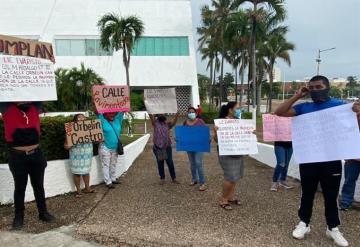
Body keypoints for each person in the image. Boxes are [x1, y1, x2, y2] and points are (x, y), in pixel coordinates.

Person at [274, 75, 360, 247]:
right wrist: (298, 95)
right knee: (307, 193)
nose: (314, 90)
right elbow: (280, 112)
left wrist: (357, 112)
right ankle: (304, 223)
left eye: (318, 87)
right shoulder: (304, 107)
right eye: (311, 87)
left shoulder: (341, 106)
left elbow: (353, 125)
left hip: (331, 159)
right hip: (309, 159)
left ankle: (333, 228)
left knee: (331, 196)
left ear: (327, 87)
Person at [0, 102, 55, 230]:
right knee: (20, 188)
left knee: (38, 186)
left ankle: (43, 213)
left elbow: (42, 91)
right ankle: (18, 217)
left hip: (36, 155)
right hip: (17, 157)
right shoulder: (6, 107)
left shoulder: (35, 107)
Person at [213, 102, 244, 210]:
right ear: (230, 110)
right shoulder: (221, 122)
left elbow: (244, 135)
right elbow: (216, 140)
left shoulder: (238, 121)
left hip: (238, 152)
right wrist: (216, 132)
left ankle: (230, 197)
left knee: (235, 176)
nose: (240, 110)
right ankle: (223, 199)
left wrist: (251, 133)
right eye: (238, 108)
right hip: (226, 152)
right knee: (230, 176)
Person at [64, 114, 95, 197]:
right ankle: (78, 191)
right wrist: (68, 146)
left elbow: (96, 138)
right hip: (76, 155)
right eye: (79, 117)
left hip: (87, 155)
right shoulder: (70, 130)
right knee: (77, 173)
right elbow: (66, 145)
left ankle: (87, 188)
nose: (81, 118)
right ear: (75, 120)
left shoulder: (90, 129)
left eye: (83, 117)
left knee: (86, 171)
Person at [149, 112, 180, 185]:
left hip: (167, 146)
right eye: (160, 114)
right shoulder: (155, 123)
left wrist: (177, 115)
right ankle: (162, 178)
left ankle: (174, 178)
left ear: (165, 115)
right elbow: (150, 115)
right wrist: (149, 109)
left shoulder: (168, 124)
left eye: (163, 114)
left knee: (170, 162)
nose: (161, 115)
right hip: (158, 147)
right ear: (157, 115)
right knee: (160, 162)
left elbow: (174, 122)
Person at [97, 112, 124, 189]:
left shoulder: (117, 119)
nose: (112, 115)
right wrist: (93, 101)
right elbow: (97, 111)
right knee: (106, 165)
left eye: (113, 114)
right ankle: (108, 182)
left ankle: (113, 178)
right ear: (105, 114)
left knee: (113, 164)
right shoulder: (102, 120)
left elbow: (122, 110)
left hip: (115, 147)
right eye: (109, 114)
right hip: (105, 147)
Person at [183, 107, 207, 191]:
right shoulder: (185, 122)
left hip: (199, 146)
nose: (191, 113)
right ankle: (194, 179)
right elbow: (183, 133)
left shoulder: (200, 122)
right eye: (189, 112)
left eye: (192, 112)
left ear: (196, 113)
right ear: (187, 113)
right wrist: (179, 139)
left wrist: (207, 139)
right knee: (192, 164)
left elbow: (205, 132)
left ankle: (202, 182)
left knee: (198, 163)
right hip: (189, 146)